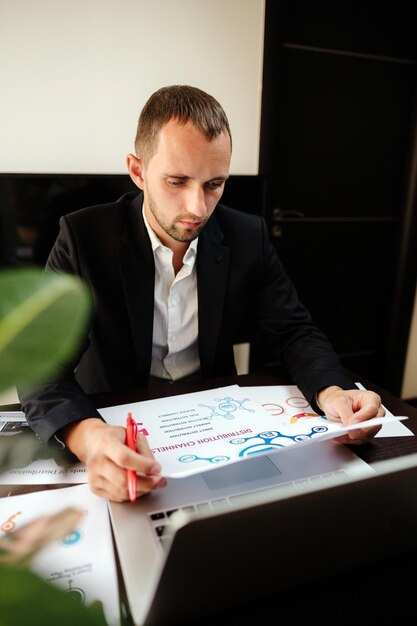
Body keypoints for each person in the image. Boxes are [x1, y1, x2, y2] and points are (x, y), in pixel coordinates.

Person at [19, 85, 384, 502]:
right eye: (177, 181)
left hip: (215, 424)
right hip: (115, 411)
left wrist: (333, 391)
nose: (197, 208)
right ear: (137, 171)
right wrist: (91, 438)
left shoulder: (248, 235)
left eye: (214, 184)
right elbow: (38, 365)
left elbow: (294, 331)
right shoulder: (83, 237)